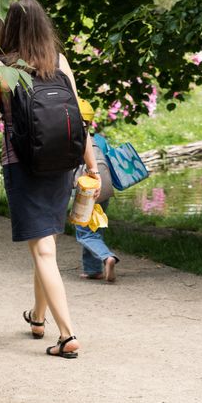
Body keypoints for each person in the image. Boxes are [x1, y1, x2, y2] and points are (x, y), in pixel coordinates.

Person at [0, 0, 99, 359]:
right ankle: (38, 317)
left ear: (6, 27)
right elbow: (80, 119)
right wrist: (90, 165)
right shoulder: (59, 62)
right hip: (62, 162)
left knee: (43, 249)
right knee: (44, 243)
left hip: (23, 164)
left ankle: (67, 335)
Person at [76, 99, 119, 282]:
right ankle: (93, 270)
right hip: (104, 187)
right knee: (96, 226)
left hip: (86, 189)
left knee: (84, 231)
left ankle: (107, 257)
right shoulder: (99, 140)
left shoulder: (73, 141)